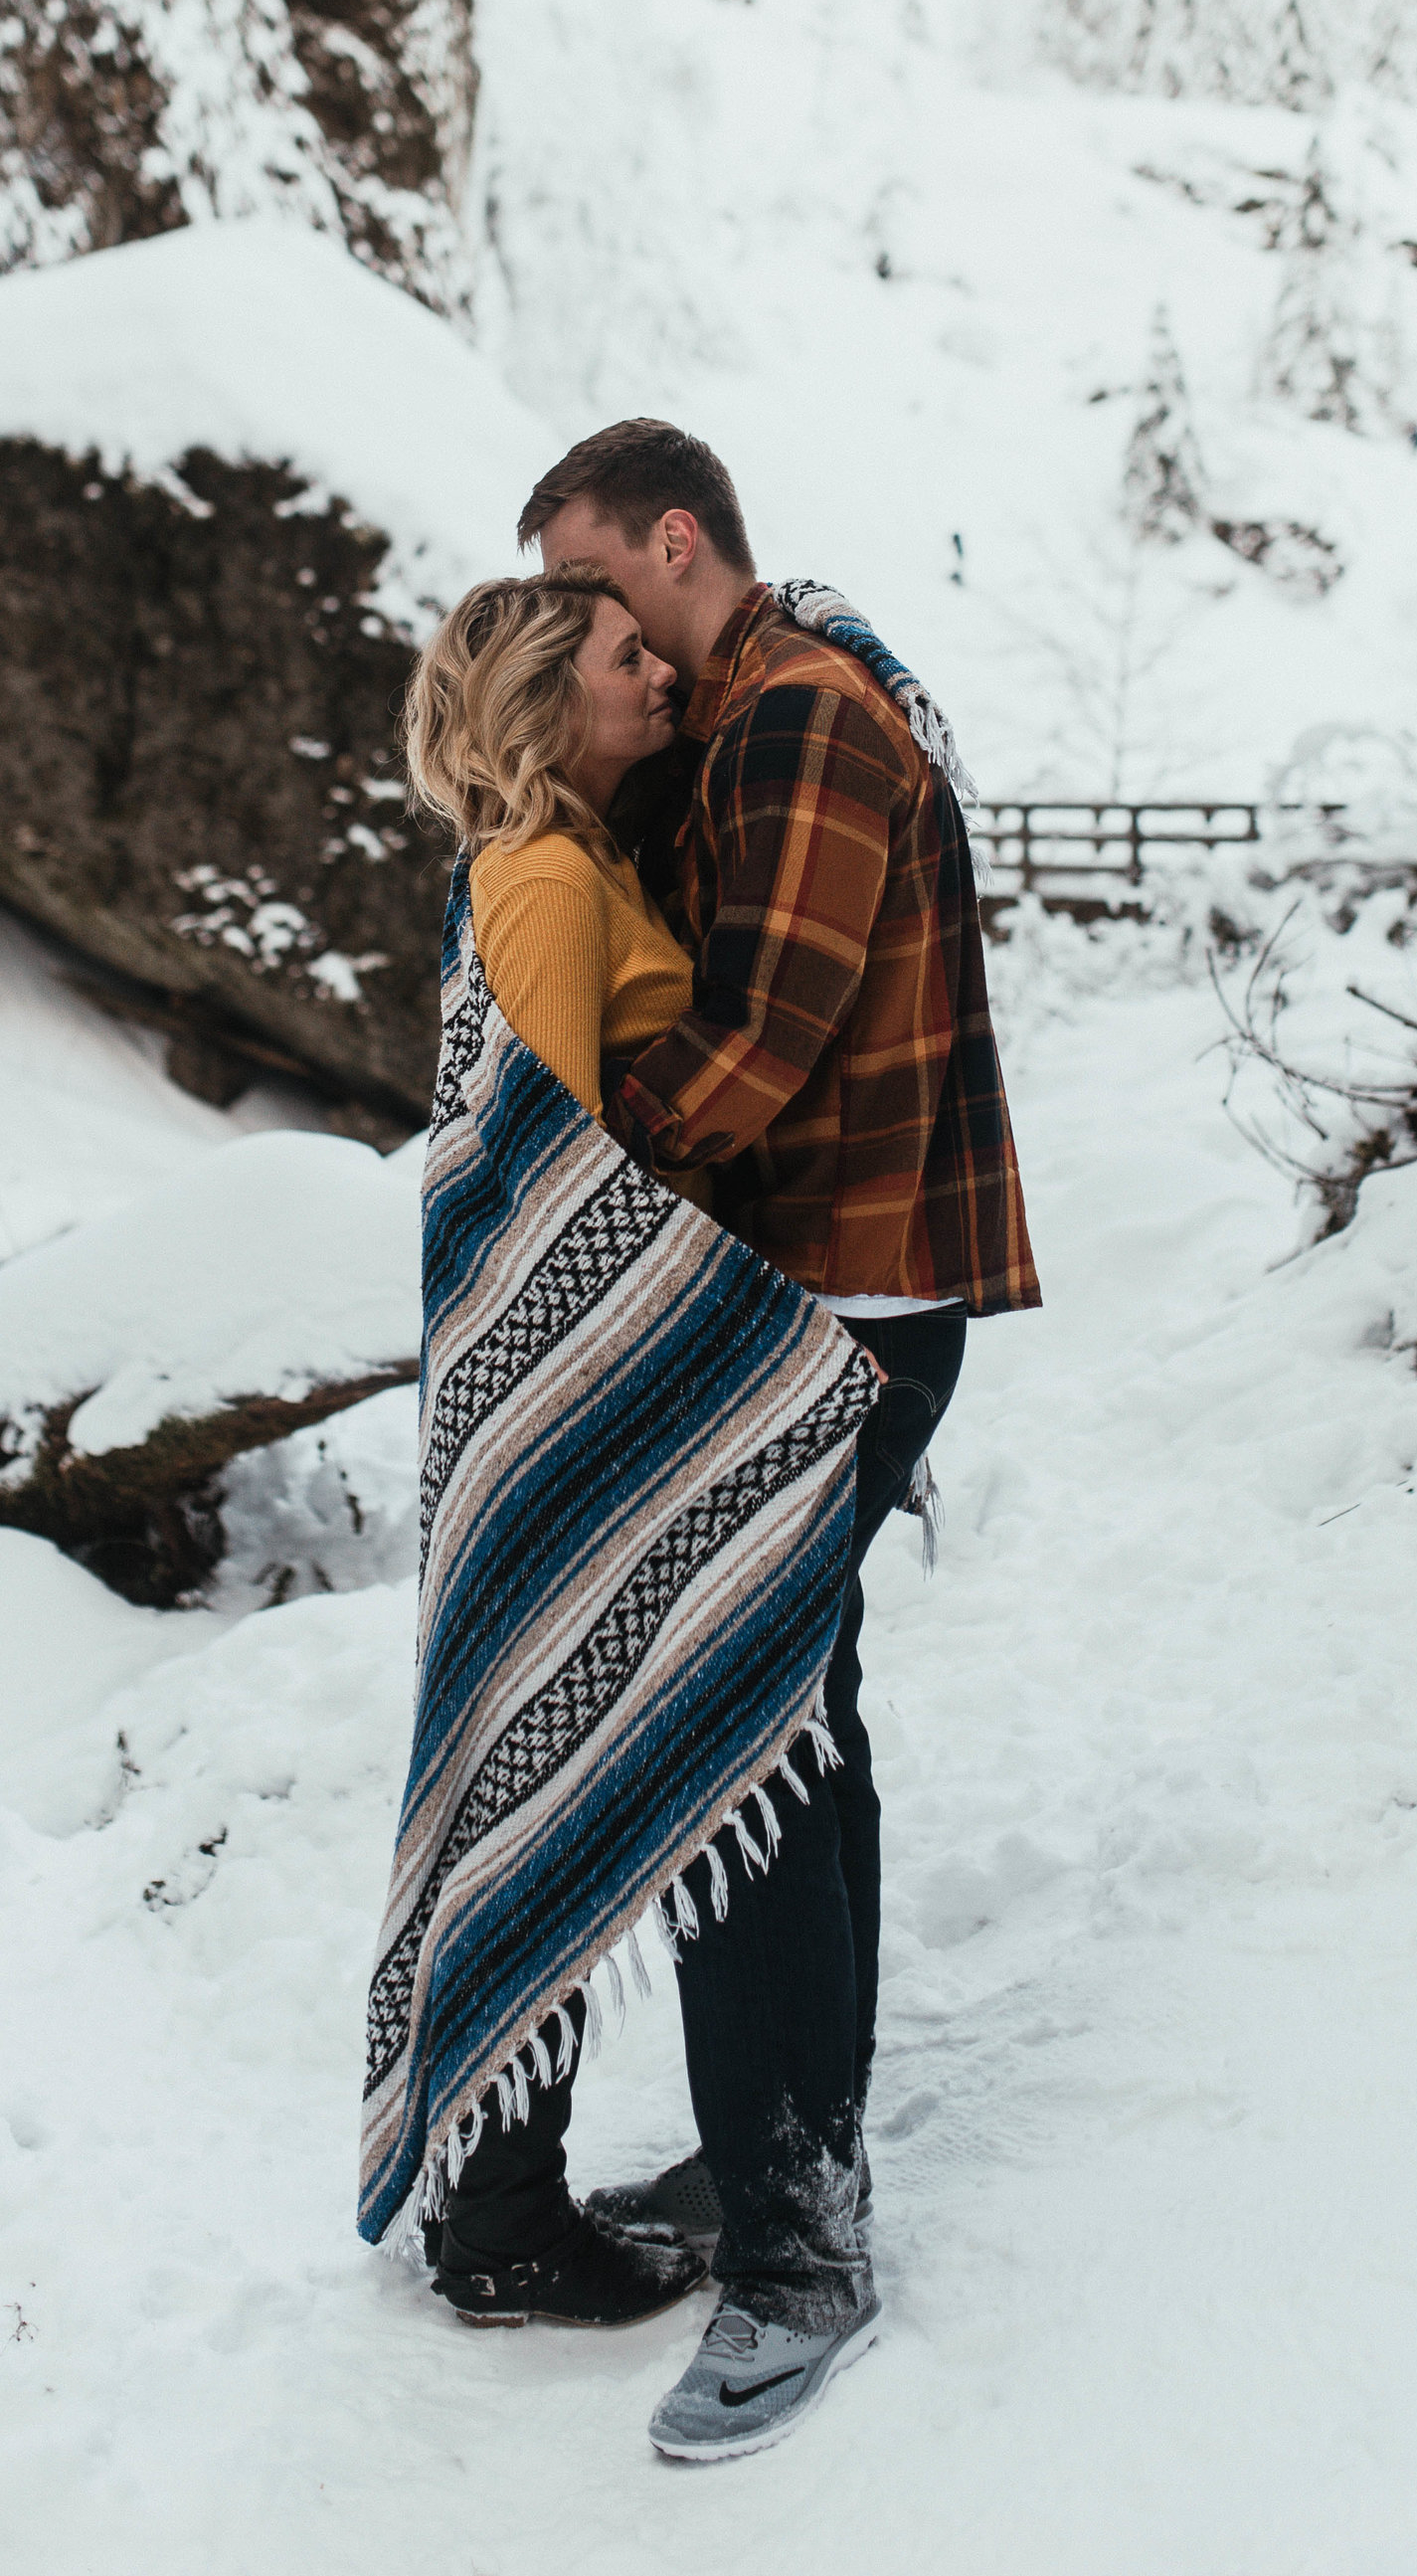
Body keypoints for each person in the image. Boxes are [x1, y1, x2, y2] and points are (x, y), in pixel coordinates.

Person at [521, 417, 1041, 2466]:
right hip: (814, 1290)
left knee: (734, 1735)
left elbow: (763, 1037)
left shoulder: (797, 723)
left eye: (591, 581)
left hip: (840, 1301)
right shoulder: (751, 711)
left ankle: (799, 2253)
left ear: (674, 540)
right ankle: (784, 2163)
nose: (582, 622)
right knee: (792, 1723)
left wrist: (557, 1192)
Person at [393, 563, 716, 2328]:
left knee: (551, 1764)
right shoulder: (537, 882)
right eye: (621, 659)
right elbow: (541, 1168)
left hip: (565, 1392)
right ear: (544, 705)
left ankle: (503, 2197)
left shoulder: (575, 864)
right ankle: (503, 2224)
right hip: (561, 1398)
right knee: (537, 1777)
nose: (654, 673)